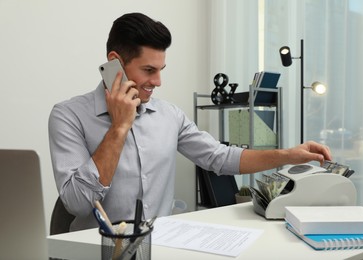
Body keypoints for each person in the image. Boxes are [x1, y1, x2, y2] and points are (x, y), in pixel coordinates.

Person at [48, 12, 332, 232]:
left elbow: (220, 158)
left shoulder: (170, 115)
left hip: (159, 247)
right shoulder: (68, 116)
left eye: (161, 70)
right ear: (115, 63)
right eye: (149, 70)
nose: (158, 82)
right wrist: (120, 127)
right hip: (98, 251)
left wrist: (289, 155)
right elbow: (77, 202)